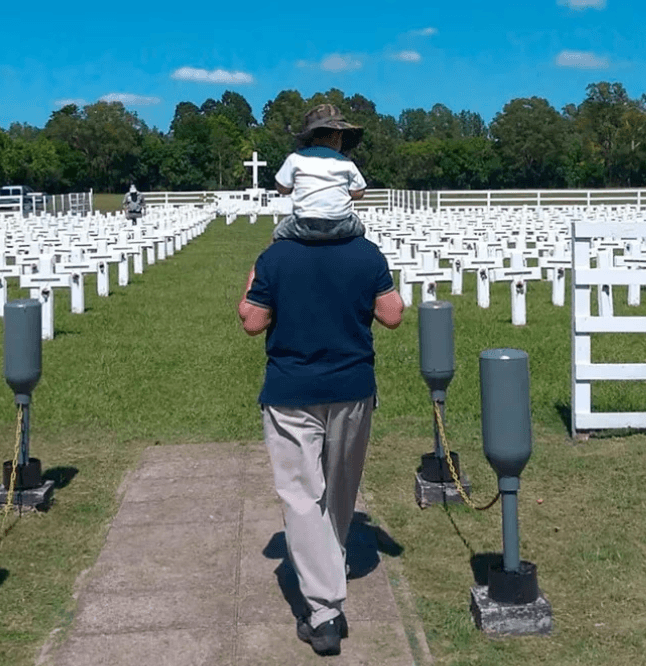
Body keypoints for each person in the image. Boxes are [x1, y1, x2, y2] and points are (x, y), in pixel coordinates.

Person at [237, 223, 404, 656]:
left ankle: (324, 611)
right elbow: (392, 314)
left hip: (292, 391)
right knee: (340, 488)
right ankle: (327, 592)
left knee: (302, 496)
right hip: (351, 388)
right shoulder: (367, 254)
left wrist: (256, 274)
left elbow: (252, 322)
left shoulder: (274, 257)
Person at [271, 104, 367, 242]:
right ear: (339, 134)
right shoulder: (346, 163)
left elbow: (283, 188)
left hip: (304, 224)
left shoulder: (295, 158)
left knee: (279, 232)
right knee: (359, 227)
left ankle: (273, 258)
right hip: (339, 224)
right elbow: (359, 193)